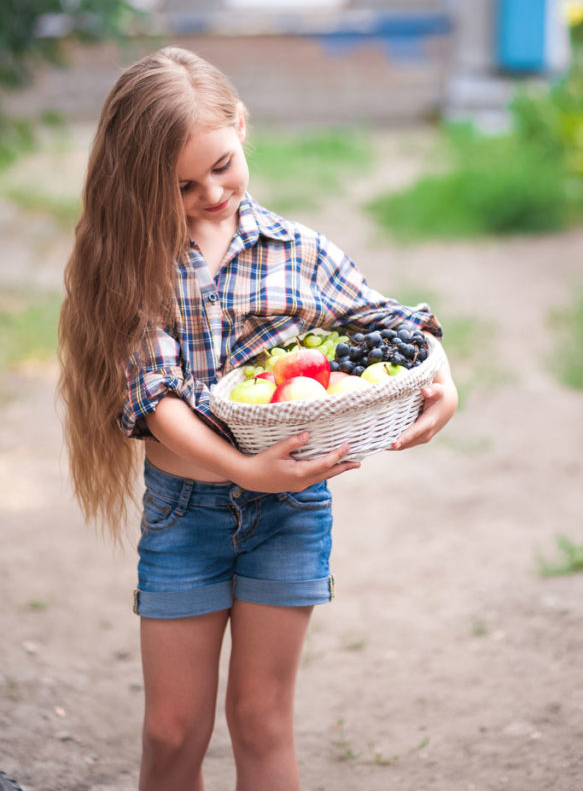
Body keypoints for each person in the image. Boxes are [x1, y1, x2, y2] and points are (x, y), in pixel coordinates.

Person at [58, 46, 458, 791]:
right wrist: (242, 468)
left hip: (291, 511)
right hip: (186, 513)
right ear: (139, 181)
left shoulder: (296, 250)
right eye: (181, 185)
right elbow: (153, 397)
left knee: (262, 719)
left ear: (241, 127)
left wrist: (443, 377)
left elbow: (391, 321)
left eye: (223, 165)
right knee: (172, 729)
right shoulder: (133, 261)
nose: (212, 192)